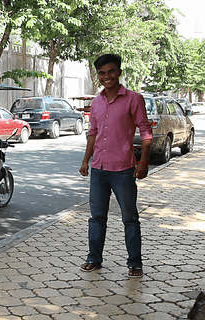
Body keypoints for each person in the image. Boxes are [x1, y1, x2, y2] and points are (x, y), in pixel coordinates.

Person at [78, 54, 153, 278]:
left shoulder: (134, 99)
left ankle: (135, 263)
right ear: (98, 76)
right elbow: (93, 133)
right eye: (102, 73)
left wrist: (144, 161)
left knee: (129, 218)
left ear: (119, 72)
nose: (106, 76)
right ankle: (94, 259)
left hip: (123, 169)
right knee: (96, 218)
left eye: (111, 71)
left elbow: (145, 131)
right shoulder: (97, 102)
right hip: (99, 169)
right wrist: (85, 160)